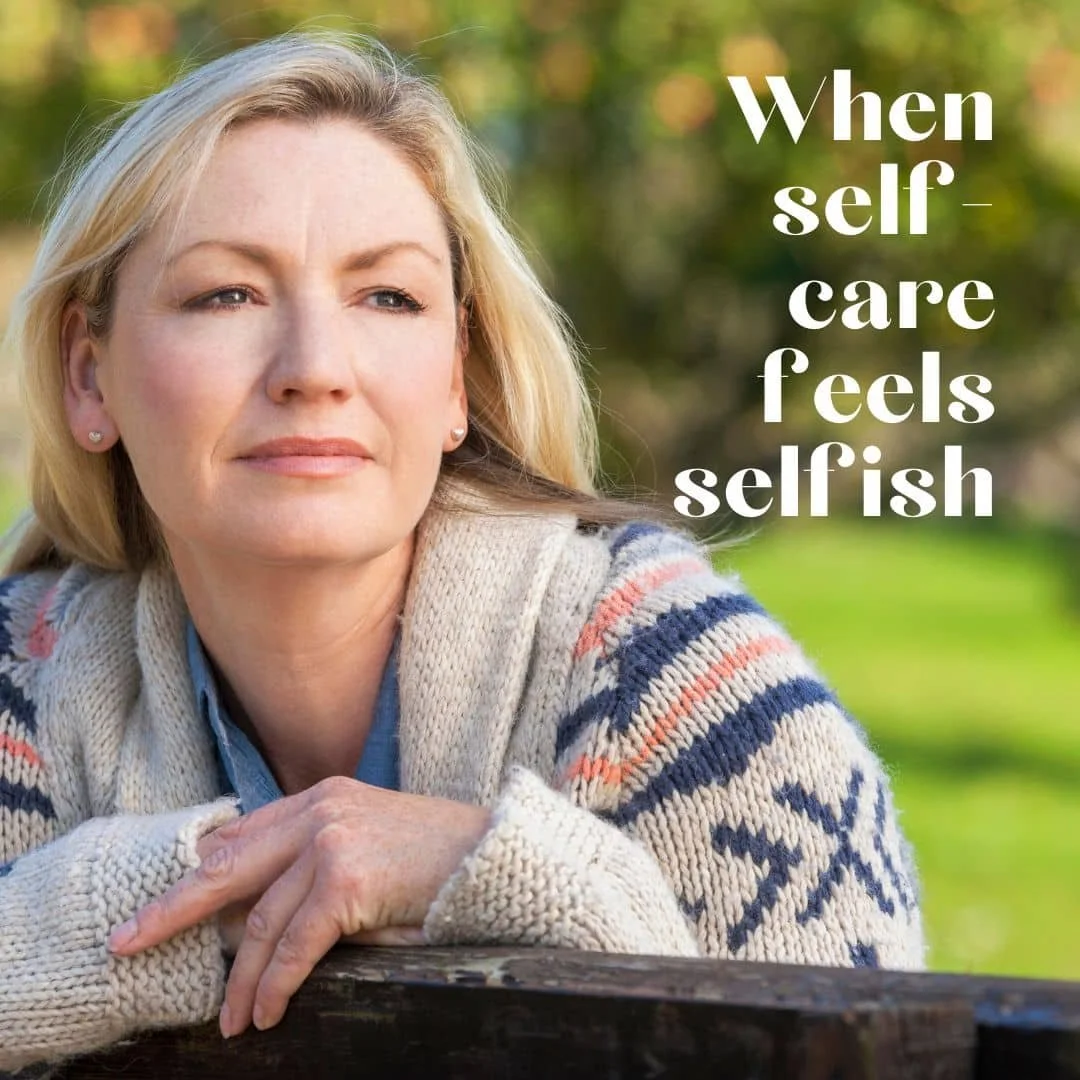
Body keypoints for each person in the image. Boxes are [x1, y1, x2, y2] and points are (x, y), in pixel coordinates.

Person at [0, 30, 924, 1071]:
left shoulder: (690, 695)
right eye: (228, 294)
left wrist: (503, 875)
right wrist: (165, 897)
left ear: (454, 379)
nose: (315, 369)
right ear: (89, 377)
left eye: (386, 297)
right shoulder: (22, 688)